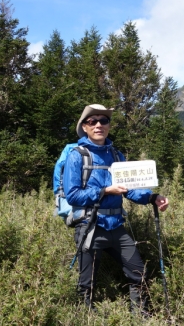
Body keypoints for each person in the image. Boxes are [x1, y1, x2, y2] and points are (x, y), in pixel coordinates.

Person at [63, 104, 169, 314]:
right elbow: (73, 194)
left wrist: (153, 197)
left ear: (109, 126)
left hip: (116, 228)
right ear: (84, 127)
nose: (99, 125)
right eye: (92, 122)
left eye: (104, 121)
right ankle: (84, 318)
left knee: (138, 273)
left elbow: (128, 189)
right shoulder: (77, 155)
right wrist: (105, 191)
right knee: (87, 282)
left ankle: (140, 318)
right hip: (90, 226)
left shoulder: (116, 155)